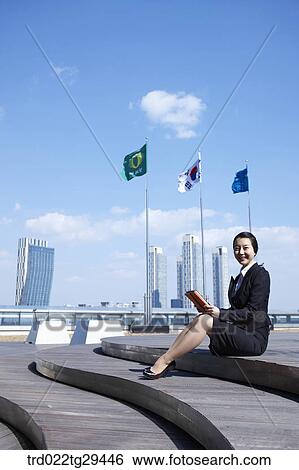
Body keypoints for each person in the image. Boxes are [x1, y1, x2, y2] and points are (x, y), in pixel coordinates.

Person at [143, 231, 272, 379]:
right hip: (240, 332)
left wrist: (220, 314)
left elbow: (253, 313)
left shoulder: (260, 275)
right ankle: (168, 358)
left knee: (205, 321)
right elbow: (237, 311)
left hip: (253, 338)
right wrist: (212, 310)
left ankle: (164, 361)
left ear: (254, 250)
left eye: (245, 248)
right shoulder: (240, 278)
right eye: (237, 248)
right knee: (201, 318)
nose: (241, 252)